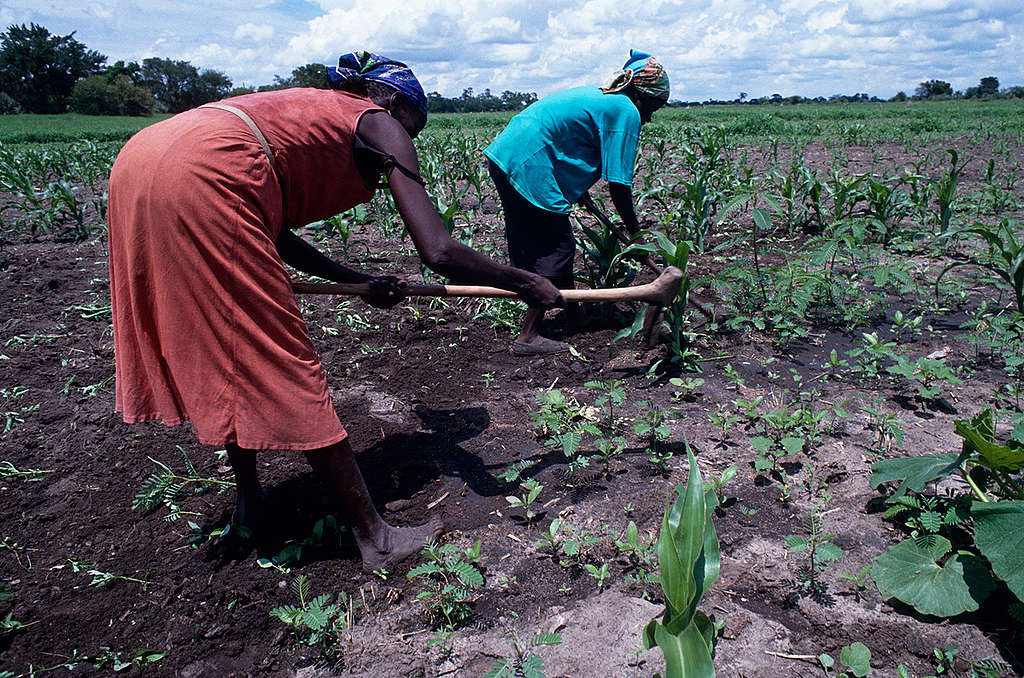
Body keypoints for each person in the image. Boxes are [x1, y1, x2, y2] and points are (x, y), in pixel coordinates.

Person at [107, 51, 563, 571]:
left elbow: (272, 232)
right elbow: (437, 251)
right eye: (412, 125)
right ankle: (376, 538)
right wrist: (526, 282)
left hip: (145, 160)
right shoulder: (377, 120)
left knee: (224, 350)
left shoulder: (306, 111)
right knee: (273, 353)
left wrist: (359, 282)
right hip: (207, 174)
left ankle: (251, 506)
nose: (405, 141)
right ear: (390, 100)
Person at [483, 50, 670, 354]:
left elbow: (570, 138)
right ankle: (528, 335)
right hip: (531, 163)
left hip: (508, 155)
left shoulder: (605, 99)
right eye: (653, 106)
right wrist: (636, 236)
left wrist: (576, 188)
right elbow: (619, 185)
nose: (649, 117)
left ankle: (573, 314)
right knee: (556, 249)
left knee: (541, 245)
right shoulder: (626, 110)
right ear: (641, 96)